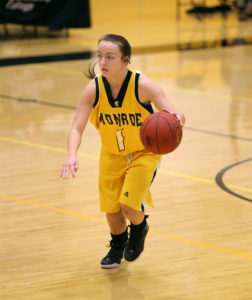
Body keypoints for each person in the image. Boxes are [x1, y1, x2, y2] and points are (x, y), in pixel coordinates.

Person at [60, 34, 185, 269]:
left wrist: (177, 118)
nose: (103, 62)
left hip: (143, 154)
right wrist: (71, 154)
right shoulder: (93, 89)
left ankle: (139, 228)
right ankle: (118, 245)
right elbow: (77, 126)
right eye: (99, 56)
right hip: (111, 154)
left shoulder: (142, 85)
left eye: (110, 57)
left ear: (125, 60)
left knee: (128, 206)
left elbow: (174, 113)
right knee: (112, 211)